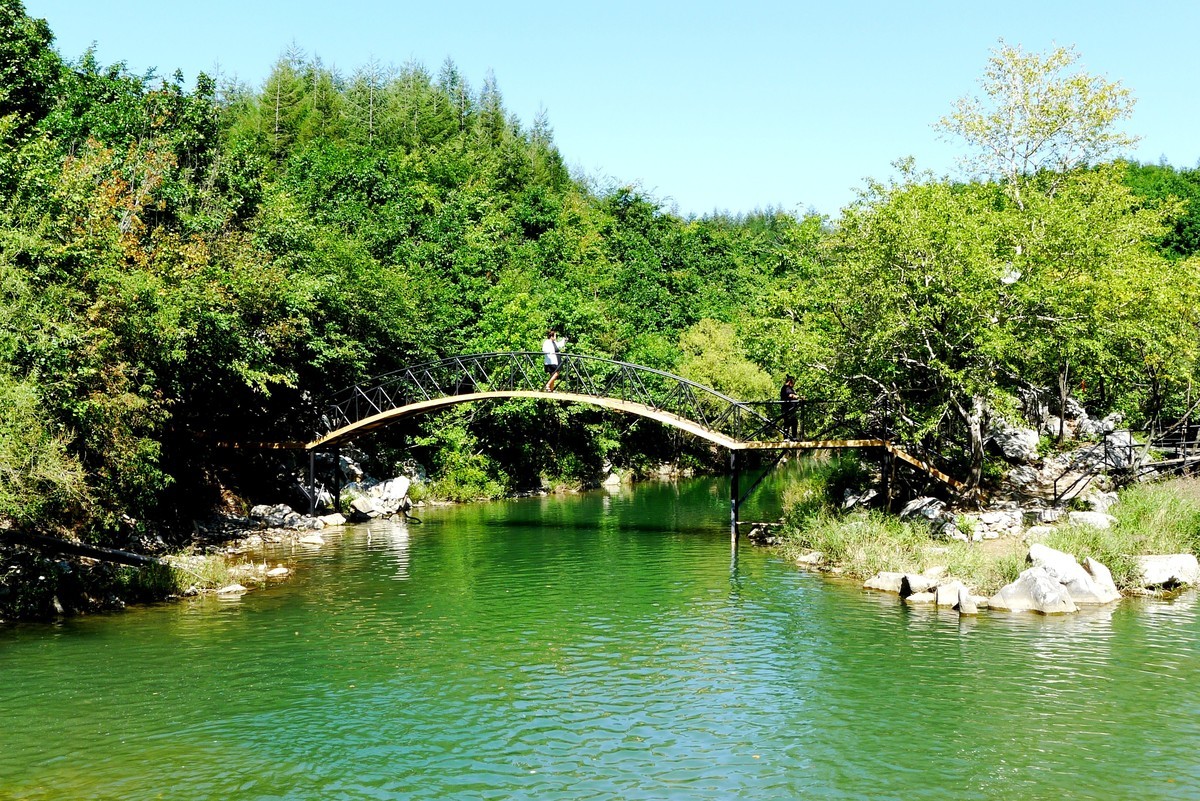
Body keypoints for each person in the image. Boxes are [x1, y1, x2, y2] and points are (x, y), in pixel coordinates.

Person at [780, 375, 799, 440]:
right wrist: (797, 397)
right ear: (790, 381)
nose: (793, 384)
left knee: (794, 423)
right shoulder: (786, 388)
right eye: (793, 382)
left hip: (791, 409)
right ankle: (786, 438)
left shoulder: (789, 388)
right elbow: (790, 395)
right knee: (787, 423)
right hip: (787, 409)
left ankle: (793, 437)